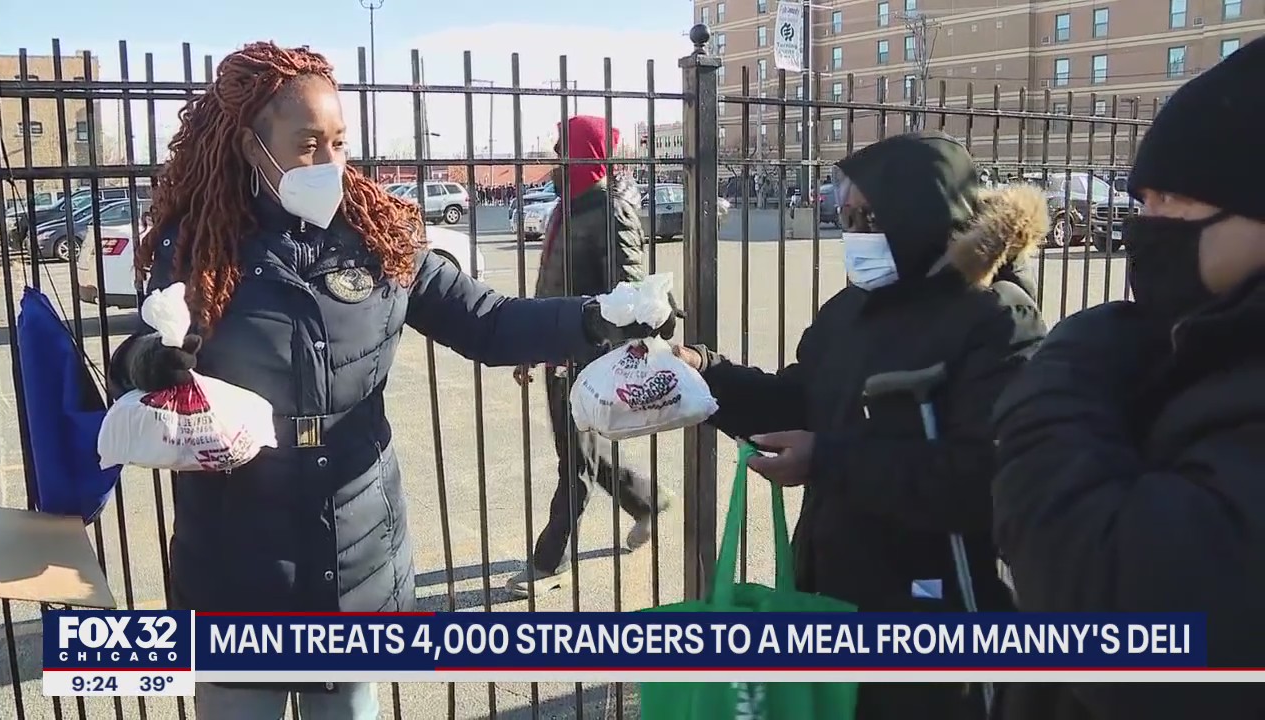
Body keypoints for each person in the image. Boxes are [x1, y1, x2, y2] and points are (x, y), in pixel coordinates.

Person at [107, 43, 674, 720]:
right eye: (308, 142)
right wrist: (149, 362)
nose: (329, 162)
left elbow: (487, 322)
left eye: (340, 142)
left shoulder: (379, 239)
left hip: (359, 555)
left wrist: (598, 318)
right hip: (237, 559)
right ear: (249, 145)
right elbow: (142, 358)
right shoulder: (196, 245)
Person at [672, 132, 1048, 719]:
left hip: (935, 608)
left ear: (926, 214)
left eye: (870, 217)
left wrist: (827, 460)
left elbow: (989, 477)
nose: (855, 234)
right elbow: (798, 401)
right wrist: (704, 374)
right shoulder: (850, 310)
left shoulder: (996, 316)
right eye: (845, 217)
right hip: (835, 589)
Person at [991, 37, 1265, 720]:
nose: (1147, 225)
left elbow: (1121, 616)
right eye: (1142, 198)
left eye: (1173, 198)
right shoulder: (1199, 343)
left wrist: (1066, 369)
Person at [506, 115, 670, 598]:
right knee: (578, 454)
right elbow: (547, 286)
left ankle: (548, 559)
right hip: (557, 352)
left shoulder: (611, 211)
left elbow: (634, 296)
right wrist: (528, 345)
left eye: (563, 148)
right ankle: (647, 500)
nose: (556, 156)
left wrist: (614, 346)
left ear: (586, 152)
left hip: (591, 359)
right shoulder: (563, 206)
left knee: (573, 464)